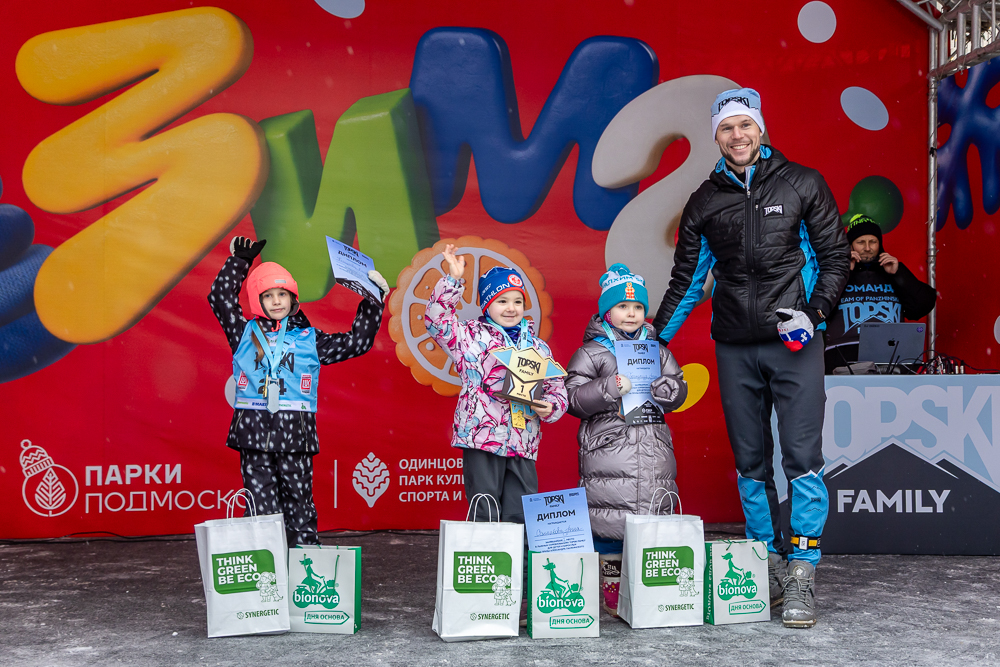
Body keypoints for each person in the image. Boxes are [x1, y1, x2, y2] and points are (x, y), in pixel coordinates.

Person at [651, 88, 849, 628]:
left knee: (802, 460)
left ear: (760, 129)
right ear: (715, 137)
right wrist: (649, 346)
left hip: (796, 345)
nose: (737, 136)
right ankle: (768, 564)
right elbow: (687, 282)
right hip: (735, 345)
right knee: (750, 464)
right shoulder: (703, 200)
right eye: (726, 128)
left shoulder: (802, 182)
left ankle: (803, 572)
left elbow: (835, 258)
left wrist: (815, 313)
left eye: (745, 125)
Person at [209, 236, 386, 545]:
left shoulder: (309, 338)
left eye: (283, 294)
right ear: (257, 301)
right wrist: (239, 262)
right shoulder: (243, 332)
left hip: (296, 433)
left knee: (299, 503)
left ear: (293, 299)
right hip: (253, 432)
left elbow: (358, 342)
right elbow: (220, 298)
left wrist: (373, 299)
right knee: (261, 507)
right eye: (268, 295)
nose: (277, 301)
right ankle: (270, 570)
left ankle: (305, 564)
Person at [565, 263, 688, 618]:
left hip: (652, 451)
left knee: (649, 523)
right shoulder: (591, 353)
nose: (631, 314)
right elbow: (573, 398)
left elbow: (677, 390)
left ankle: (647, 592)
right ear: (607, 311)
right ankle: (611, 588)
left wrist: (668, 389)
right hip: (610, 454)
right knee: (609, 522)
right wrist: (609, 387)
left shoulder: (657, 351)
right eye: (622, 307)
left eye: (637, 308)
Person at [423, 245, 567, 524]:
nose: (511, 308)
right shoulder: (468, 337)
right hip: (482, 439)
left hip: (523, 441)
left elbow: (557, 388)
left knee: (520, 514)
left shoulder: (537, 346)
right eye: (502, 301)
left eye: (517, 301)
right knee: (485, 511)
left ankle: (520, 568)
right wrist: (453, 280)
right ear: (487, 304)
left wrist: (551, 407)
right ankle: (487, 567)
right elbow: (436, 320)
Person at [824, 214, 937, 373]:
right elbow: (819, 309)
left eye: (873, 242)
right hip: (842, 358)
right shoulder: (835, 273)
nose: (868, 248)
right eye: (861, 242)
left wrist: (899, 274)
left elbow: (923, 305)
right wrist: (842, 272)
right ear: (850, 245)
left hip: (892, 357)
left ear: (880, 244)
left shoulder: (893, 271)